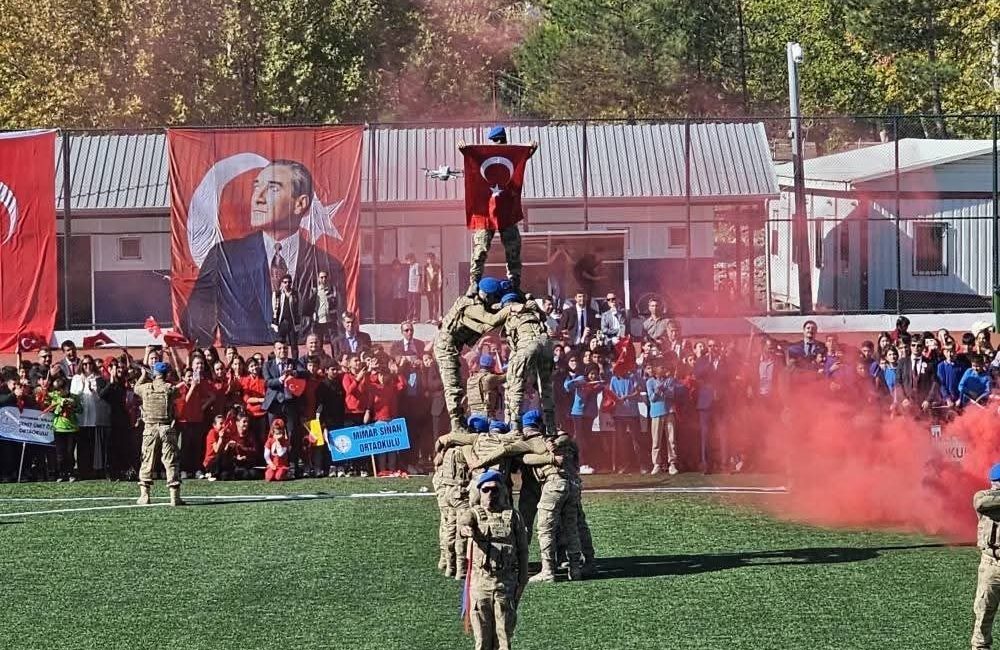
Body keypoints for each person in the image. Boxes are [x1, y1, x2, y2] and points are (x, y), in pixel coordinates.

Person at [181, 160, 347, 345]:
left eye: (273, 189)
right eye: (256, 187)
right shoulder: (224, 256)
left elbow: (338, 326)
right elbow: (195, 323)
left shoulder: (328, 266)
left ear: (300, 203)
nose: (257, 198)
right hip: (245, 361)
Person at [460, 126, 538, 296]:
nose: (498, 144)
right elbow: (474, 163)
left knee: (513, 247)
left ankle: (514, 283)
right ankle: (474, 282)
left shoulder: (508, 156)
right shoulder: (487, 157)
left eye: (500, 140)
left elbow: (518, 162)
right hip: (485, 210)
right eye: (495, 141)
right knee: (480, 248)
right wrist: (465, 151)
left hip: (505, 209)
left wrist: (529, 151)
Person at [458, 469, 529, 650]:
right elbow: (465, 522)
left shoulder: (513, 516)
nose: (490, 494)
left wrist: (523, 579)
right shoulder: (475, 513)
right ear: (479, 491)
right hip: (480, 584)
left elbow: (522, 550)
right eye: (486, 490)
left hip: (505, 585)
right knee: (482, 639)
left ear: (502, 491)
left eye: (495, 489)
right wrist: (466, 529)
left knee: (504, 637)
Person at [433, 277, 516, 433]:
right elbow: (490, 320)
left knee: (457, 386)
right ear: (485, 296)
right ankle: (457, 425)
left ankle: (460, 422)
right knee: (453, 388)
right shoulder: (473, 307)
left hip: (454, 347)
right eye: (492, 297)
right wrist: (510, 309)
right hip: (446, 348)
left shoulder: (474, 300)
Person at [499, 293, 557, 433]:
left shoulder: (509, 313)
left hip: (527, 345)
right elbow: (542, 316)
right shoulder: (533, 310)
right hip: (546, 344)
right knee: (546, 388)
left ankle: (514, 427)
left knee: (515, 384)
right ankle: (551, 427)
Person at [134, 362, 184, 506]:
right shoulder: (169, 389)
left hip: (150, 429)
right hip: (166, 428)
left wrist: (143, 376)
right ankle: (174, 496)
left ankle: (145, 496)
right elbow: (178, 392)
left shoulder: (145, 388)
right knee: (170, 460)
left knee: (147, 460)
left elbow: (135, 388)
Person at [973, 462, 1000, 650]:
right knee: (983, 614)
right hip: (991, 564)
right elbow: (980, 503)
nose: (995, 485)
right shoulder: (984, 498)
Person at [46, 377, 82, 482]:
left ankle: (71, 472)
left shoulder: (74, 397)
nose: (58, 391)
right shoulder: (54, 397)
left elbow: (80, 410)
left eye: (60, 389)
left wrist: (73, 405)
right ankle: (62, 473)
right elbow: (52, 411)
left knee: (70, 452)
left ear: (66, 388)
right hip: (58, 429)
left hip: (72, 429)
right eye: (56, 389)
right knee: (60, 454)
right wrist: (59, 406)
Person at [271, 274, 302, 357]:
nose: (287, 284)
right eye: (285, 282)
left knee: (294, 345)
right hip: (282, 323)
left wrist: (298, 322)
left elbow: (299, 309)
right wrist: (275, 323)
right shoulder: (277, 294)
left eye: (289, 282)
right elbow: (274, 309)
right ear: (281, 283)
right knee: (280, 344)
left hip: (292, 323)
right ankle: (280, 361)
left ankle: (295, 364)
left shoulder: (296, 294)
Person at [307, 269, 338, 349]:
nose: (323, 279)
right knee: (319, 342)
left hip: (330, 320)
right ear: (318, 279)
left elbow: (337, 303)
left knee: (334, 342)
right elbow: (310, 305)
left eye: (325, 277)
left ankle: (335, 359)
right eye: (321, 277)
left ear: (328, 278)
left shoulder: (332, 289)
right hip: (319, 320)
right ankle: (319, 360)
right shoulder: (315, 291)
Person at [423, 252, 442, 322]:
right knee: (430, 303)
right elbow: (424, 278)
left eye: (431, 259)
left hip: (435, 287)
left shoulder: (437, 267)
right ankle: (430, 318)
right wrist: (423, 287)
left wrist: (439, 285)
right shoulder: (425, 267)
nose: (430, 260)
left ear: (434, 259)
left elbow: (440, 277)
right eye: (428, 259)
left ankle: (435, 317)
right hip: (428, 288)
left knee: (435, 303)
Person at [405, 253, 422, 321]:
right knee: (410, 303)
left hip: (415, 288)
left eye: (408, 260)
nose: (408, 262)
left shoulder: (416, 265)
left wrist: (418, 286)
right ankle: (409, 317)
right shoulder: (410, 266)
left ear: (412, 259)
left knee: (416, 304)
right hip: (410, 288)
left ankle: (416, 317)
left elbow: (419, 276)